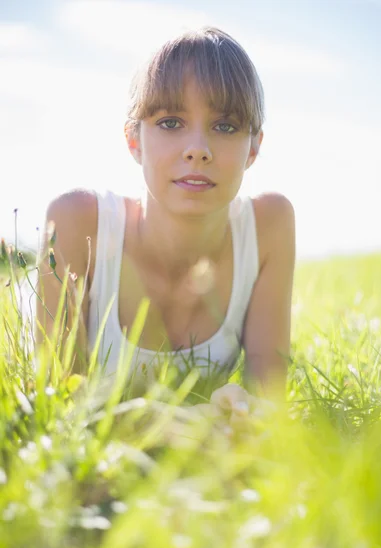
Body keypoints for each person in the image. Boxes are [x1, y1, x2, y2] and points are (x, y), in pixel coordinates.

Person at [35, 26, 296, 421]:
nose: (197, 150)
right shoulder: (78, 222)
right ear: (134, 140)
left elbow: (269, 402)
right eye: (171, 122)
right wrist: (184, 425)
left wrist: (244, 413)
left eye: (225, 126)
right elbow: (56, 407)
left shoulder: (268, 225)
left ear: (254, 148)